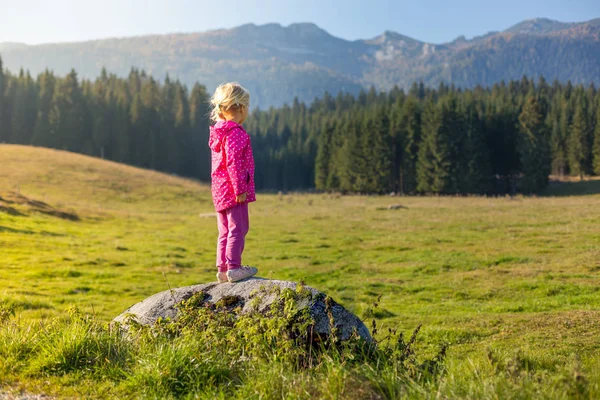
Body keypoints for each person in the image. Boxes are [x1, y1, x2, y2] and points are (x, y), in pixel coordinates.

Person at [208, 82, 258, 283]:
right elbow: (234, 162)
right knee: (238, 228)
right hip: (234, 190)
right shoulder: (235, 133)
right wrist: (240, 188)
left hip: (219, 191)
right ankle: (234, 268)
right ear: (242, 108)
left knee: (224, 231)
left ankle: (222, 269)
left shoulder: (219, 132)